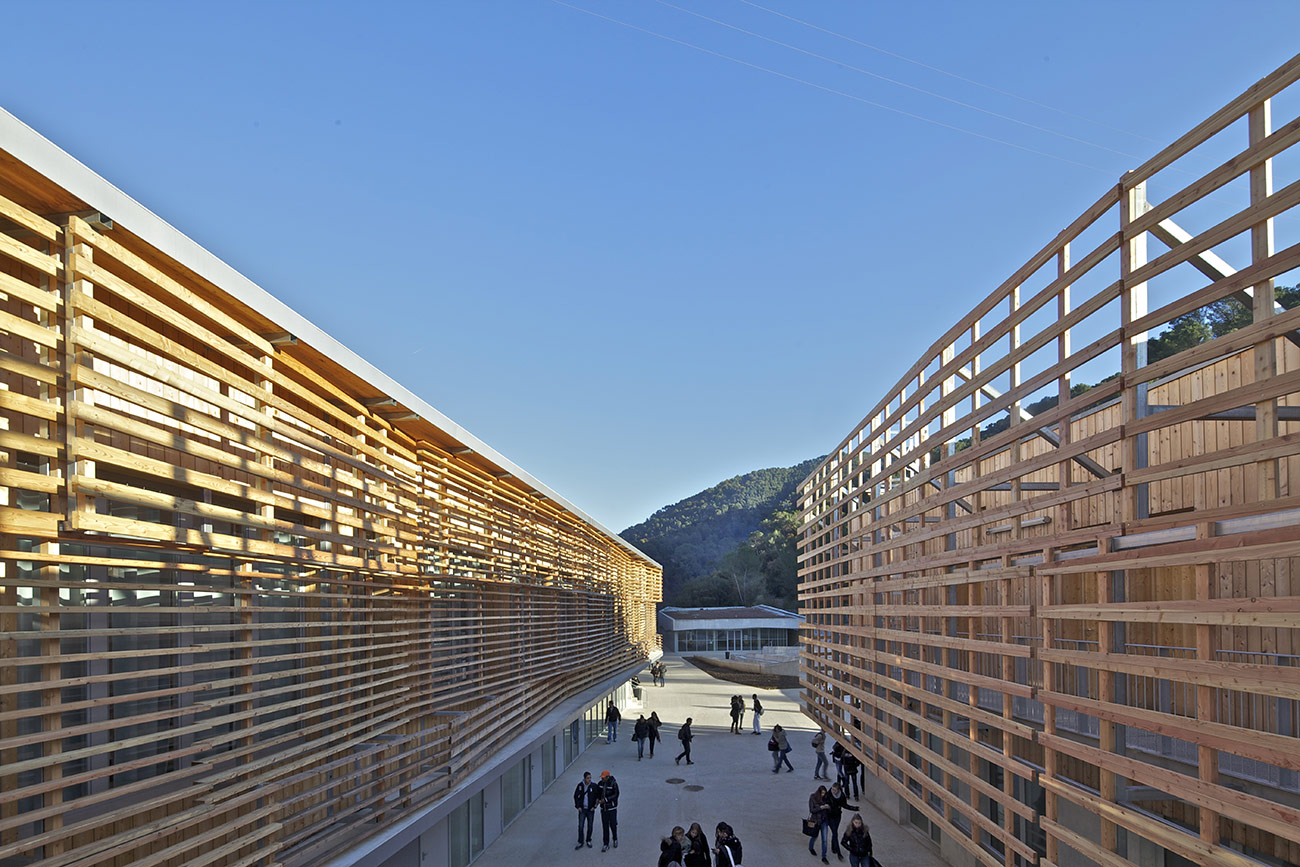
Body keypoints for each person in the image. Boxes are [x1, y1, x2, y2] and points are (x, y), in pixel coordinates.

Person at [825, 781, 858, 862]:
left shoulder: (842, 796)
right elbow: (824, 801)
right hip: (830, 817)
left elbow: (845, 805)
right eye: (832, 789)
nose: (833, 791)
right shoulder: (828, 794)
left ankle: (833, 847)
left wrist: (854, 808)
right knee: (835, 833)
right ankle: (838, 852)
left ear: (838, 790)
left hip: (837, 816)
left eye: (835, 790)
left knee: (834, 832)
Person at [573, 771, 599, 849]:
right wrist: (578, 807)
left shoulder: (594, 786)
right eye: (588, 778)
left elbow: (597, 797)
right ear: (584, 778)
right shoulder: (580, 786)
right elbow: (575, 796)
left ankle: (588, 840)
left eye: (590, 778)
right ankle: (580, 841)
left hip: (590, 809)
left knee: (590, 826)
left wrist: (594, 807)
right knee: (581, 826)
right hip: (582, 809)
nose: (589, 779)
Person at [597, 770, 619, 851]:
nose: (602, 779)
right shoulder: (600, 784)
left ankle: (615, 838)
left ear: (607, 777)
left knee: (613, 825)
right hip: (604, 809)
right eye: (602, 778)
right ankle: (605, 843)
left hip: (612, 808)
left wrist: (606, 800)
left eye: (603, 778)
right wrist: (598, 799)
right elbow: (598, 793)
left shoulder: (613, 784)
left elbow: (616, 794)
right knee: (605, 826)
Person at [808, 785, 831, 863]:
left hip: (824, 821)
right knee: (814, 836)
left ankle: (824, 856)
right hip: (816, 821)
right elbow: (812, 810)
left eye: (824, 793)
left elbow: (830, 809)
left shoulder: (827, 798)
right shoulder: (813, 798)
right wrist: (820, 808)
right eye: (822, 793)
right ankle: (811, 848)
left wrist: (828, 807)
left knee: (824, 840)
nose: (823, 795)